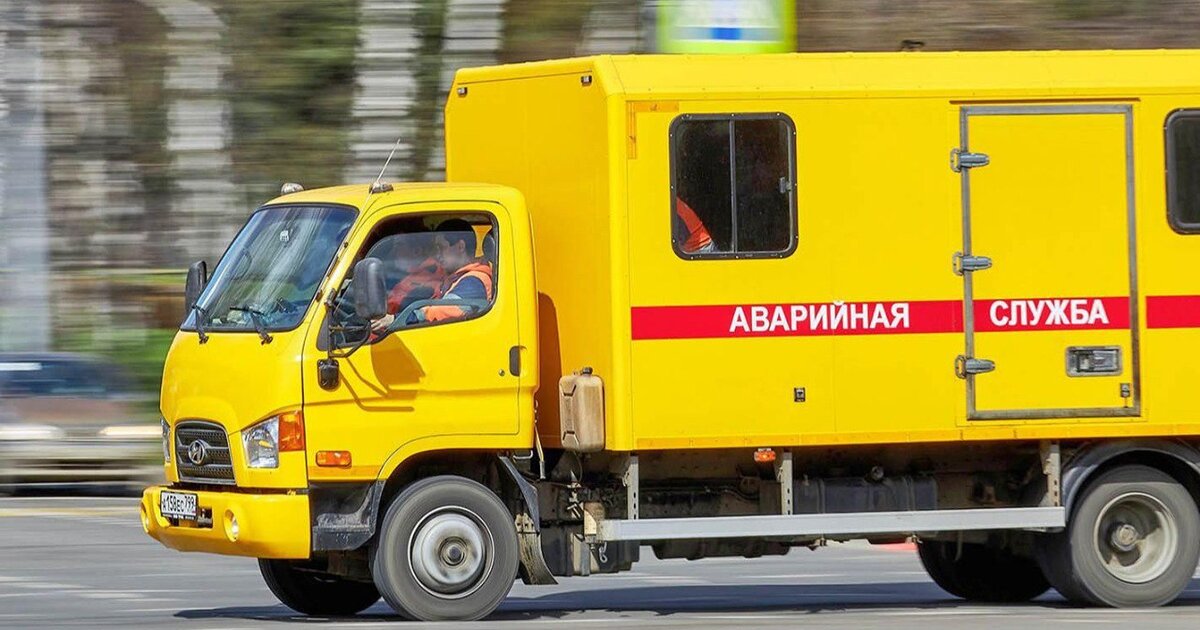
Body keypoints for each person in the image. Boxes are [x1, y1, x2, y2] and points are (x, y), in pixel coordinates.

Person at [370, 219, 493, 332]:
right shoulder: (452, 276)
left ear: (460, 246)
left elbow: (444, 311)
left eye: (441, 248)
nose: (437, 255)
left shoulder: (474, 281)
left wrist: (397, 319)